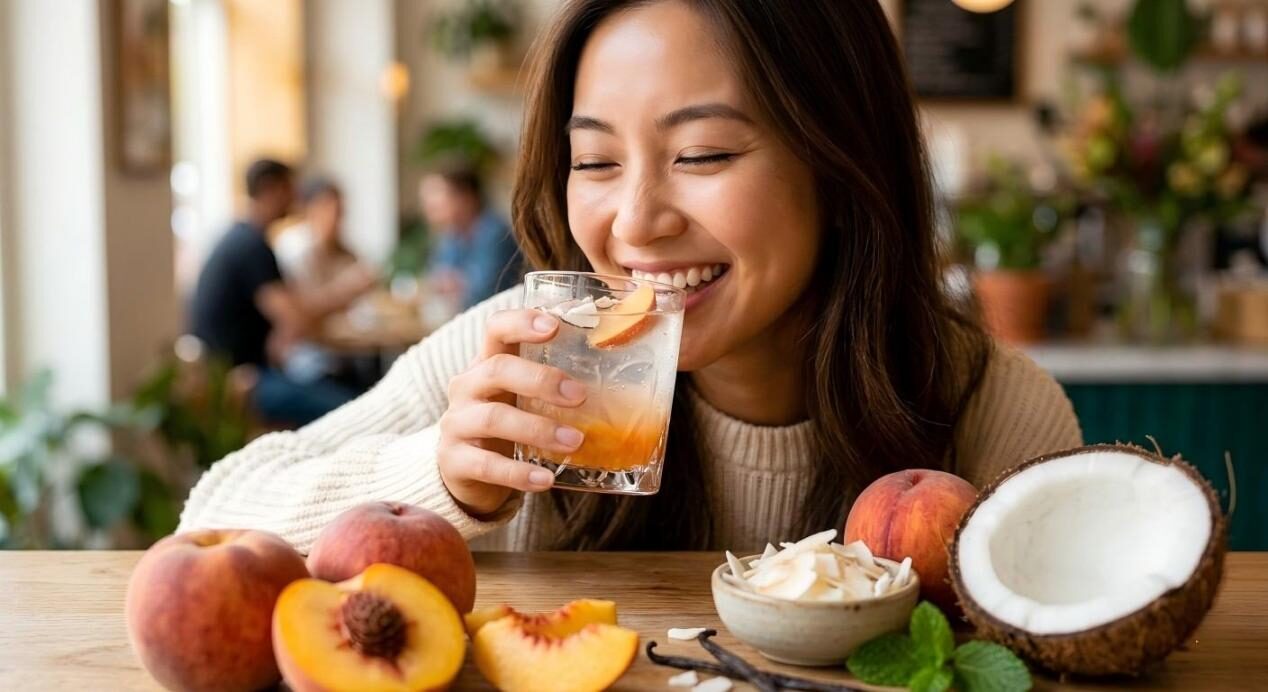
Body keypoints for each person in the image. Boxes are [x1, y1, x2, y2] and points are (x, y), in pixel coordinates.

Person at [179, 1, 1082, 553]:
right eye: (597, 163)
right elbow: (209, 520)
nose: (637, 223)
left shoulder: (989, 408)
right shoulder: (528, 355)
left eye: (703, 153)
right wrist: (441, 480)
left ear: (842, 170)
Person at [188, 159, 370, 427]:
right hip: (243, 382)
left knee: (351, 390)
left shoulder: (240, 238)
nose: (296, 198)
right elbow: (297, 319)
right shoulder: (251, 247)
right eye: (290, 188)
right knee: (355, 410)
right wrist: (346, 292)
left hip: (243, 374)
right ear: (270, 189)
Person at [272, 177, 380, 389]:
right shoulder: (293, 249)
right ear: (307, 209)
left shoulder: (343, 251)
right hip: (304, 359)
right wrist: (346, 290)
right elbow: (301, 315)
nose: (334, 218)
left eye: (339, 212)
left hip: (339, 353)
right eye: (326, 209)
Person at [420, 164, 521, 311]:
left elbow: (481, 291)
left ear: (466, 197)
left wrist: (452, 284)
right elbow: (436, 279)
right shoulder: (452, 234)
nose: (429, 205)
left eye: (437, 195)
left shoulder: (495, 233)